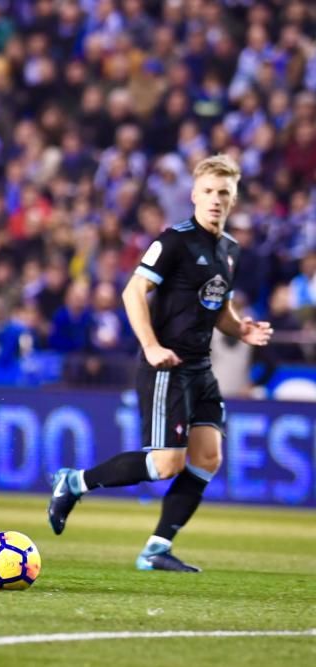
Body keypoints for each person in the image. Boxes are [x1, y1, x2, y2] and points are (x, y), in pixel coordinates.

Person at [47, 154, 273, 572]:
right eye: (208, 191)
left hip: (201, 368)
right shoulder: (174, 241)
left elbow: (218, 306)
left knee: (208, 458)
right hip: (166, 365)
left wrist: (240, 329)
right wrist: (150, 346)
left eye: (224, 193)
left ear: (234, 199)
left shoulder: (230, 250)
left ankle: (156, 549)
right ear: (193, 195)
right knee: (166, 464)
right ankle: (74, 482)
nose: (216, 200)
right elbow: (133, 292)